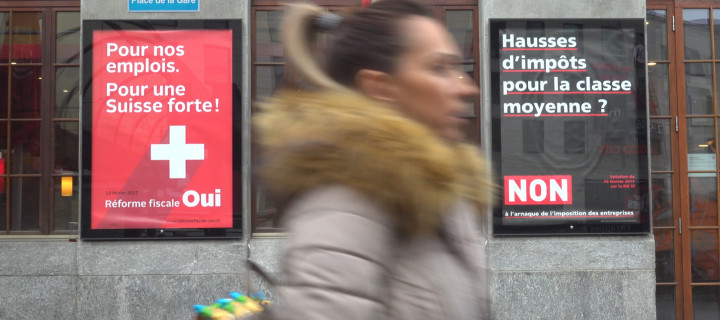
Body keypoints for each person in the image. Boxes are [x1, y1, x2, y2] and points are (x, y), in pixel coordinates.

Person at [254, 0, 494, 319]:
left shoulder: (440, 192)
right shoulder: (345, 203)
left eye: (458, 68)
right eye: (440, 68)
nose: (469, 89)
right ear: (381, 87)